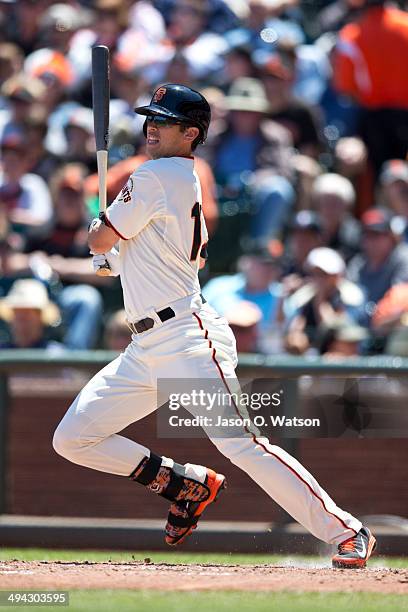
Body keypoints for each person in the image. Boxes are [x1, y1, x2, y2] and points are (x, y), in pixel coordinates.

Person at [53, 84, 376, 568]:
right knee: (73, 438)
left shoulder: (158, 173)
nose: (151, 128)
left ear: (191, 133)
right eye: (149, 119)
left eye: (163, 121)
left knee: (242, 444)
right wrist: (110, 256)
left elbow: (99, 234)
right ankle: (184, 483)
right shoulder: (175, 178)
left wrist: (101, 236)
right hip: (146, 346)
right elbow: (129, 255)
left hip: (187, 337)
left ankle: (348, 529)